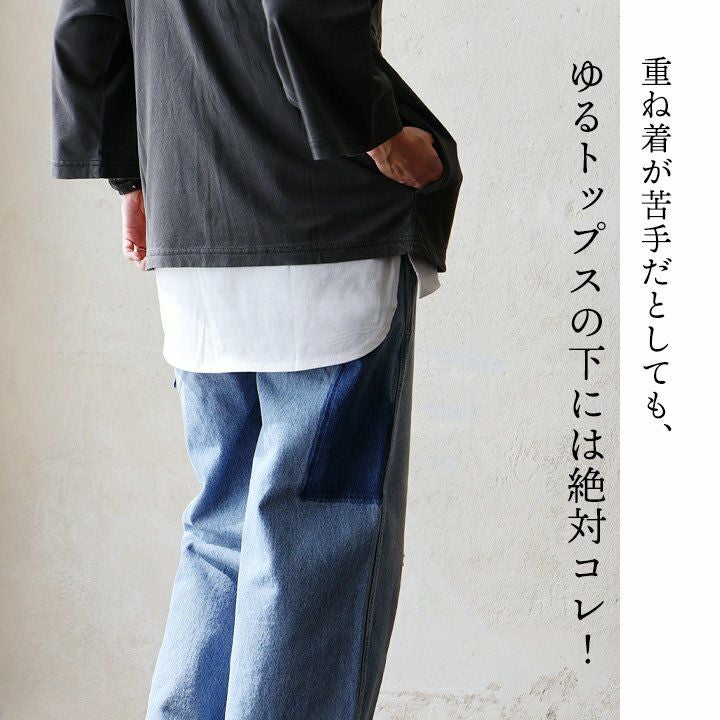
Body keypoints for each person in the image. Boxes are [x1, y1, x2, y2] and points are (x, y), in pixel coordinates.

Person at [51, 1, 462, 718]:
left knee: (221, 532)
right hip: (319, 216)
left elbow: (86, 23)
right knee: (313, 539)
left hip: (190, 211)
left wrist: (131, 173)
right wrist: (376, 133)